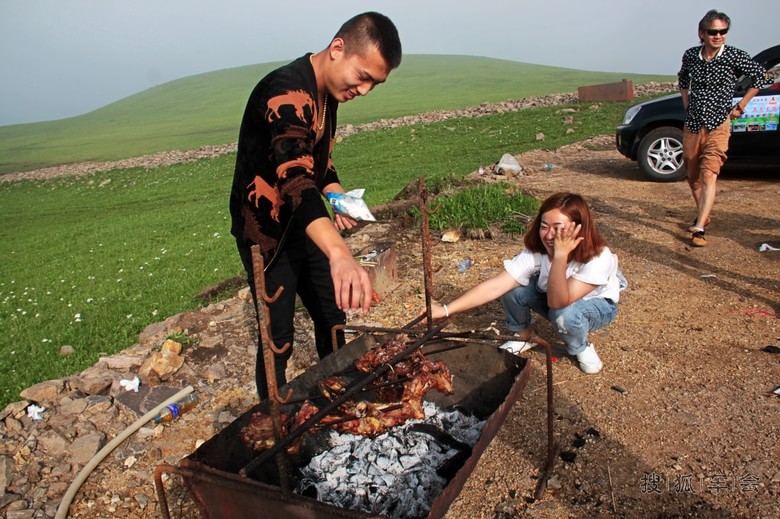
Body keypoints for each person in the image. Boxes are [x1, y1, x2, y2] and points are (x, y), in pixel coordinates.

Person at [229, 12, 402, 399]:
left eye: (375, 83)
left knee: (332, 317)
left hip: (308, 222)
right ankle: (276, 419)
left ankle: (340, 399)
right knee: (278, 336)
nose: (365, 90)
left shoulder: (328, 93)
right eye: (363, 77)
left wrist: (337, 195)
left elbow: (316, 162)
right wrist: (340, 253)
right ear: (337, 48)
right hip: (268, 234)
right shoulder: (285, 91)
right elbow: (294, 177)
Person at [424, 193, 623, 374]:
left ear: (580, 229)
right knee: (514, 288)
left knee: (564, 314)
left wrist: (560, 256)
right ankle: (525, 335)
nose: (550, 235)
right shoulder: (537, 251)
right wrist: (446, 309)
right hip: (557, 300)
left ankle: (580, 347)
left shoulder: (599, 258)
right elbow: (496, 286)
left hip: (596, 307)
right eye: (544, 227)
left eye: (559, 229)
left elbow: (558, 302)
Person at [678, 10, 766, 247]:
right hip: (694, 123)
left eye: (723, 31)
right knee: (693, 176)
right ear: (702, 33)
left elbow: (759, 77)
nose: (718, 36)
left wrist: (741, 105)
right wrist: (686, 103)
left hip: (719, 123)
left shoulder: (734, 56)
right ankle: (703, 212)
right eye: (713, 32)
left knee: (709, 173)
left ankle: (700, 227)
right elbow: (683, 79)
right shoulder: (691, 56)